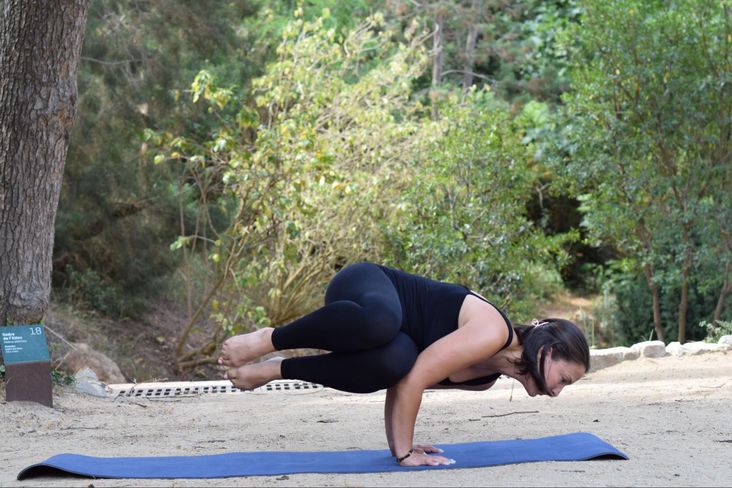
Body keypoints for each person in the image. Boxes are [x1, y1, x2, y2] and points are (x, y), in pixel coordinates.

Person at [218, 262, 590, 467]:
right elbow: (416, 381)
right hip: (367, 290)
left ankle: (276, 369)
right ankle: (268, 339)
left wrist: (401, 447)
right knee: (382, 324)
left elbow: (403, 380)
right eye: (564, 379)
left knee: (394, 359)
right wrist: (404, 452)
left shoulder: (483, 380)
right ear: (549, 349)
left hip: (387, 339)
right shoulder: (494, 330)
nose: (556, 392)